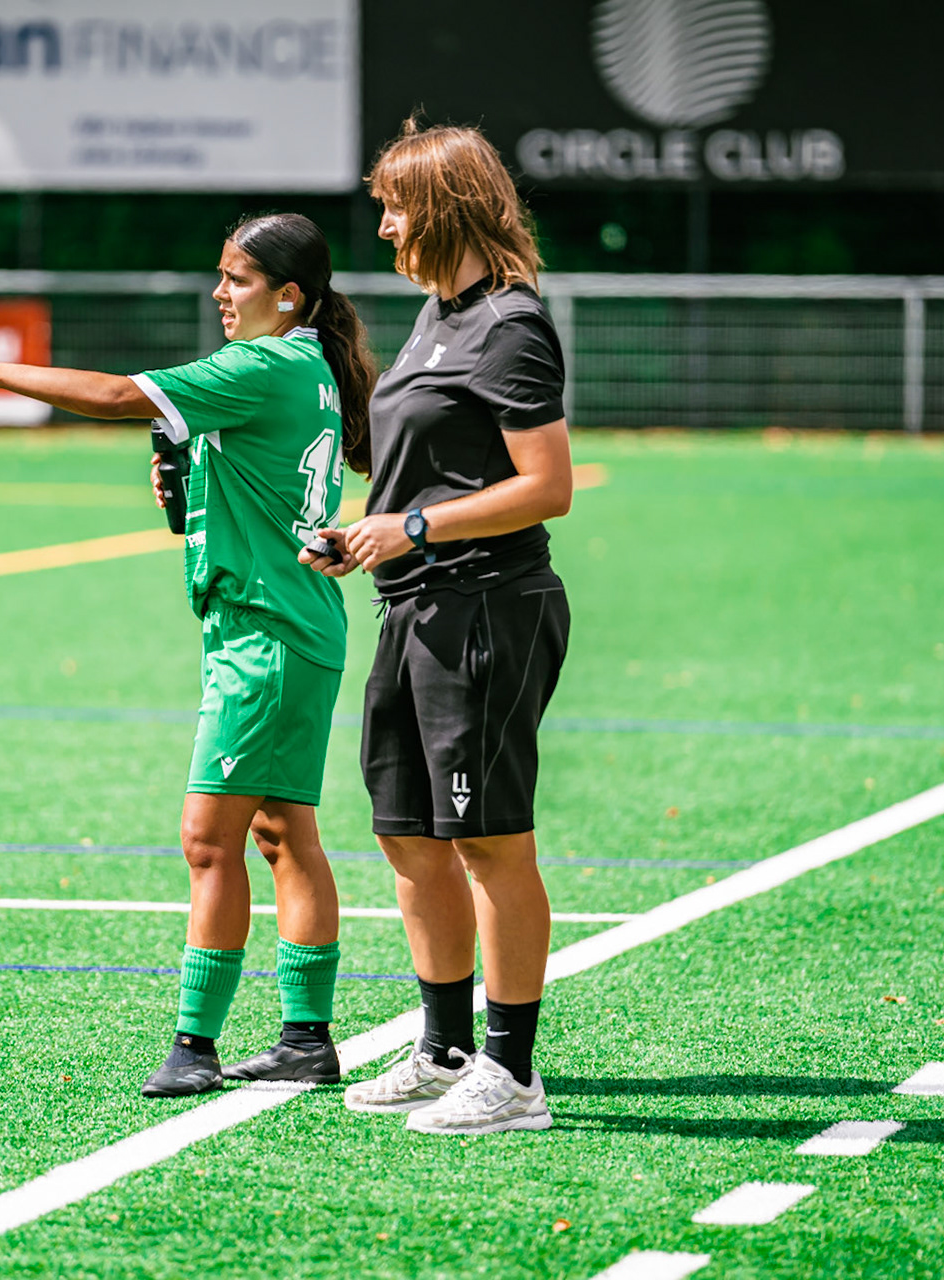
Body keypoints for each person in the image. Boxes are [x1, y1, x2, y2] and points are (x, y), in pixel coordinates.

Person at [0, 213, 377, 1098]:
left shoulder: (264, 363)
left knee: (210, 838)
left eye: (237, 280)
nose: (220, 294)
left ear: (289, 296)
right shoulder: (308, 362)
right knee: (285, 835)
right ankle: (306, 1039)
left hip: (267, 635)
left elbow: (115, 394)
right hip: (282, 626)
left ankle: (195, 1047)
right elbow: (226, 484)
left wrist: (5, 370)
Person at [302, 121, 574, 1135]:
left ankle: (512, 1073)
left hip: (487, 609)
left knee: (490, 839)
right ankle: (447, 1045)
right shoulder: (434, 314)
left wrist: (410, 524)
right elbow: (421, 465)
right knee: (410, 835)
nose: (383, 223)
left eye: (396, 205)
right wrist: (362, 532)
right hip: (412, 604)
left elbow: (547, 487)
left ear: (447, 208)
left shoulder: (510, 323)